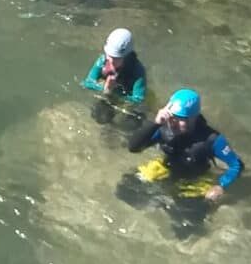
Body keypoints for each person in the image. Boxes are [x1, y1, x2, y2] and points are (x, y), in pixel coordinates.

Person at [123, 88, 242, 224]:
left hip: (196, 179)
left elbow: (236, 164)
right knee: (126, 189)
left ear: (194, 118)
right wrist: (156, 123)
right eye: (171, 117)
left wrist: (221, 186)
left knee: (187, 223)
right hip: (166, 168)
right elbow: (133, 147)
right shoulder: (163, 128)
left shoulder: (211, 139)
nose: (173, 123)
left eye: (180, 119)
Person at [82, 26, 147, 117]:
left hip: (126, 95)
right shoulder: (103, 60)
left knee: (133, 122)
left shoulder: (138, 72)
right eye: (109, 55)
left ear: (127, 56)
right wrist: (106, 88)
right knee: (98, 114)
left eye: (116, 58)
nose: (111, 60)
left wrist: (115, 92)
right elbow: (86, 84)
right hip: (109, 92)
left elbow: (138, 100)